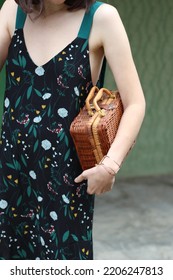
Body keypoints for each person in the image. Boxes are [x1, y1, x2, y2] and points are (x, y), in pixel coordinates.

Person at [0, 0, 145, 260]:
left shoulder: (101, 18)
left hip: (65, 185)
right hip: (9, 177)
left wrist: (110, 165)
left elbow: (135, 103)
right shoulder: (13, 10)